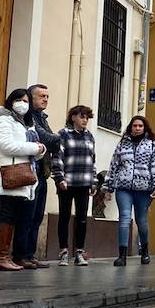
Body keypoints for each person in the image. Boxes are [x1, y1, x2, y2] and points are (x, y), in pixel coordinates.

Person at [0, 88, 47, 272]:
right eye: (19, 99)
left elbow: (28, 154)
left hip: (23, 177)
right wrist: (34, 148)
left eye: (26, 101)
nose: (23, 103)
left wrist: (40, 150)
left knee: (15, 217)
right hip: (9, 175)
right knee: (6, 215)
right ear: (11, 101)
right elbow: (5, 145)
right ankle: (0, 257)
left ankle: (6, 257)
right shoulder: (3, 119)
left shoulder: (24, 124)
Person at [106, 116, 155, 267]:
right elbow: (114, 165)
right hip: (123, 188)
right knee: (124, 218)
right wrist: (108, 187)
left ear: (145, 128)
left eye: (140, 126)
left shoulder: (153, 146)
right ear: (130, 127)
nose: (137, 128)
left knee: (142, 221)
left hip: (144, 190)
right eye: (134, 126)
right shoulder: (122, 145)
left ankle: (145, 251)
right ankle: (122, 256)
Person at [13, 82, 57, 268]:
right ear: (31, 99)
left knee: (37, 216)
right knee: (26, 216)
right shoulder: (28, 117)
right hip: (29, 172)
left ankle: (30, 254)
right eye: (42, 96)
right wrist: (57, 138)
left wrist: (53, 140)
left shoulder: (42, 118)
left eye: (47, 96)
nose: (46, 99)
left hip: (43, 173)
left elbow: (52, 143)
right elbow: (46, 139)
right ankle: (20, 255)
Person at [50, 105, 96, 267]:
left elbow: (92, 161)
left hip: (84, 183)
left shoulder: (90, 136)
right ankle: (63, 252)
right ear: (73, 117)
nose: (85, 120)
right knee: (64, 216)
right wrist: (59, 178)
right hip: (67, 183)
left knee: (82, 219)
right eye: (82, 117)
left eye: (87, 118)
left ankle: (79, 253)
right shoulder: (63, 134)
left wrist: (94, 182)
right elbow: (57, 157)